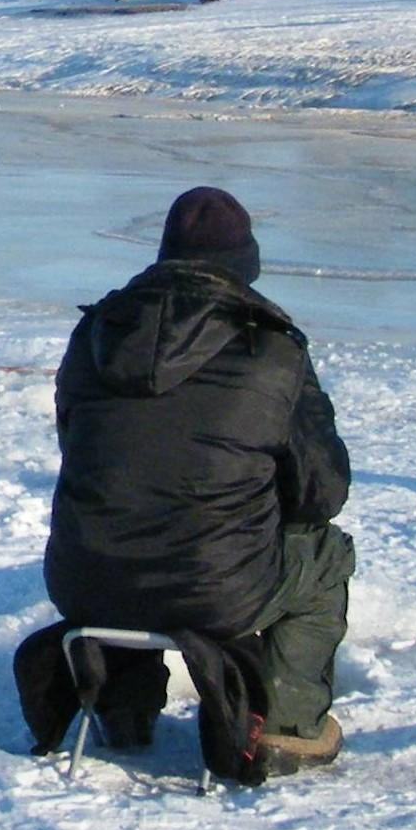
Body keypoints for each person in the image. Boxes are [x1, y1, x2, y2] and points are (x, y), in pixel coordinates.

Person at [40, 186, 354, 773]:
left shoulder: (95, 336)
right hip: (216, 588)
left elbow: (82, 450)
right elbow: (321, 492)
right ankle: (285, 726)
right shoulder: (273, 349)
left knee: (129, 525)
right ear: (245, 265)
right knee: (327, 559)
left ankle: (123, 710)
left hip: (85, 577)